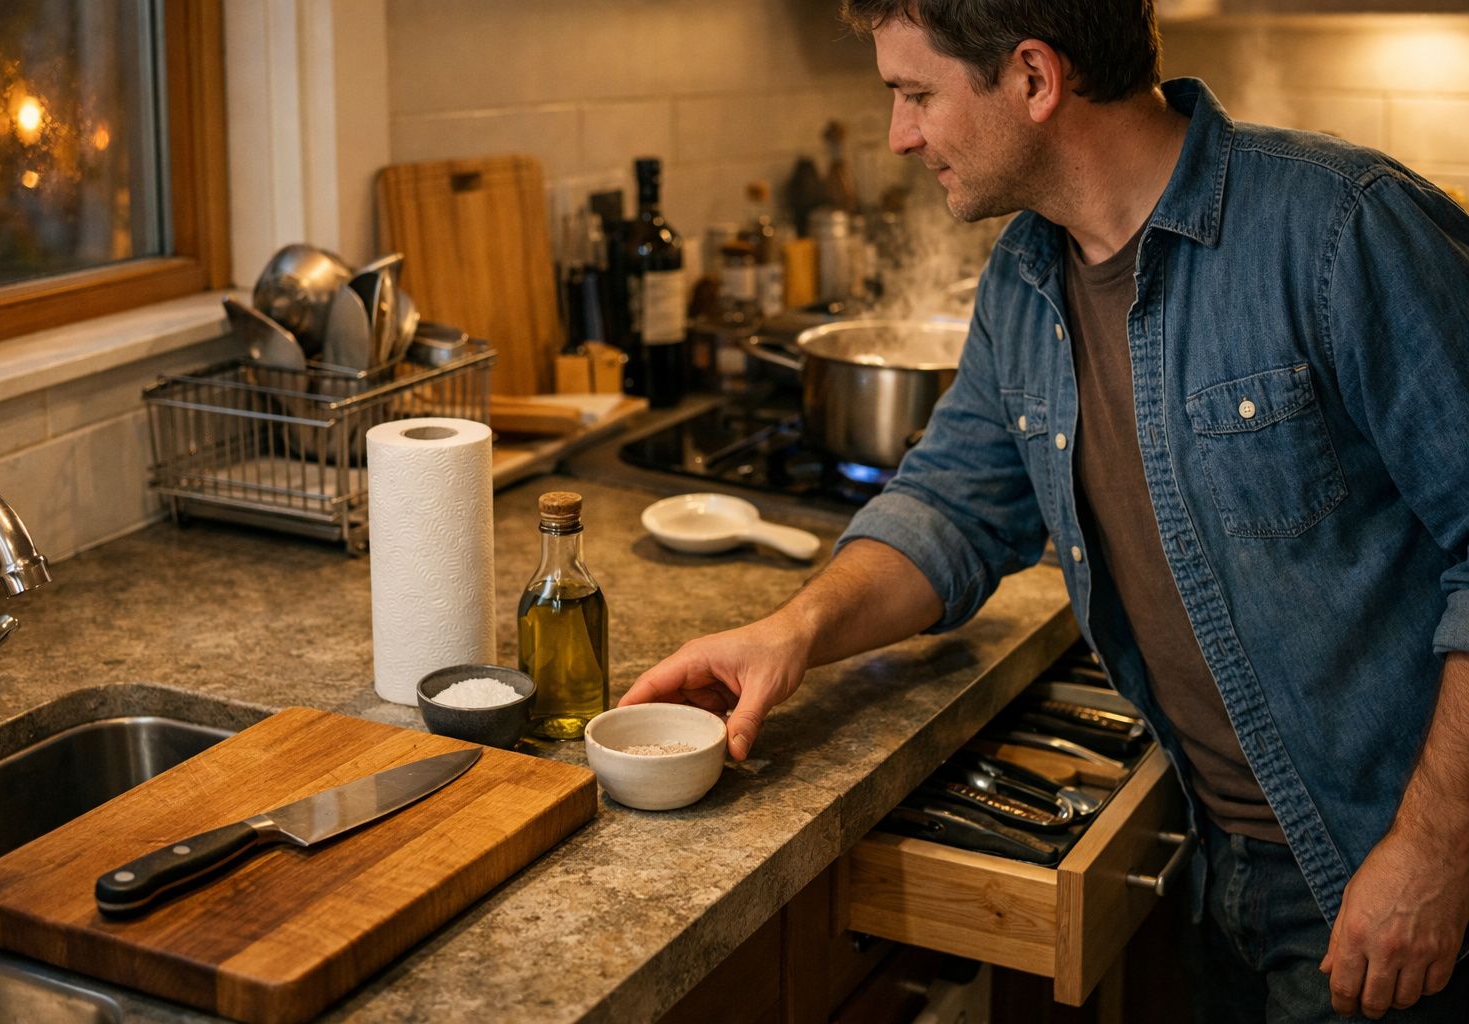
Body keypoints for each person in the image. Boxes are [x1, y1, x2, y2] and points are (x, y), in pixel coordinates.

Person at [620, 2, 1469, 1021]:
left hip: (1385, 864)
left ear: (1033, 77)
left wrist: (1434, 849)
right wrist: (791, 633)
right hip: (1219, 856)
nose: (899, 135)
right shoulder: (1026, 277)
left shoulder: (1340, 232)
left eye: (916, 93)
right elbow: (952, 508)